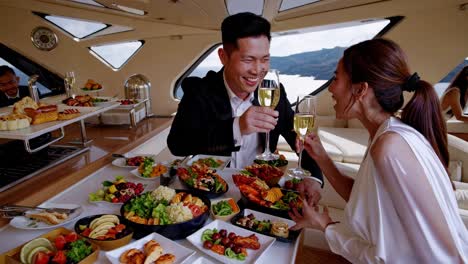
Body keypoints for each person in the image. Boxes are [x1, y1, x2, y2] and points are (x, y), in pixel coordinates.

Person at [289, 38, 468, 263]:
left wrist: (326, 226)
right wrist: (322, 157)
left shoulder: (390, 147)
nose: (331, 88)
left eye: (336, 78)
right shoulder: (387, 134)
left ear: (361, 89)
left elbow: (394, 257)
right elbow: (364, 200)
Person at [167, 12, 323, 191]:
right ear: (224, 57)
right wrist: (237, 127)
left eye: (265, 59)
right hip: (210, 188)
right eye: (248, 60)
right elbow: (177, 144)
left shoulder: (274, 93)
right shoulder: (199, 91)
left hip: (259, 190)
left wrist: (315, 179)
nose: (257, 71)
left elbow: (301, 137)